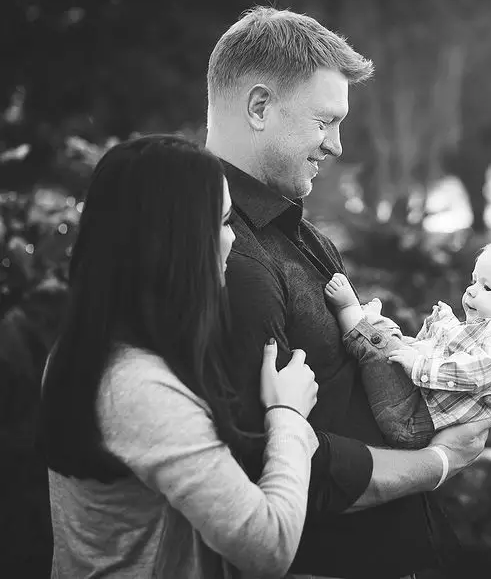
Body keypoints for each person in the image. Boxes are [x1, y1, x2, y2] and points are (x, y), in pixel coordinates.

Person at [205, 6, 491, 579]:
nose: (337, 145)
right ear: (260, 107)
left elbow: (364, 395)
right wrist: (441, 461)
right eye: (325, 121)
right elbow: (267, 460)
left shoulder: (301, 237)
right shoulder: (229, 257)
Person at [38, 134, 320, 578]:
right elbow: (269, 547)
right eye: (223, 223)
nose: (233, 241)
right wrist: (288, 418)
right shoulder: (138, 390)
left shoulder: (92, 351)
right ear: (176, 242)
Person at [324, 237, 491, 448]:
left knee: (381, 353)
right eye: (473, 281)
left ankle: (351, 313)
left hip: (414, 416)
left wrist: (420, 366)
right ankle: (372, 323)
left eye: (487, 288)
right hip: (417, 405)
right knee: (397, 347)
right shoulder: (484, 330)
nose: (471, 291)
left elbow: (474, 373)